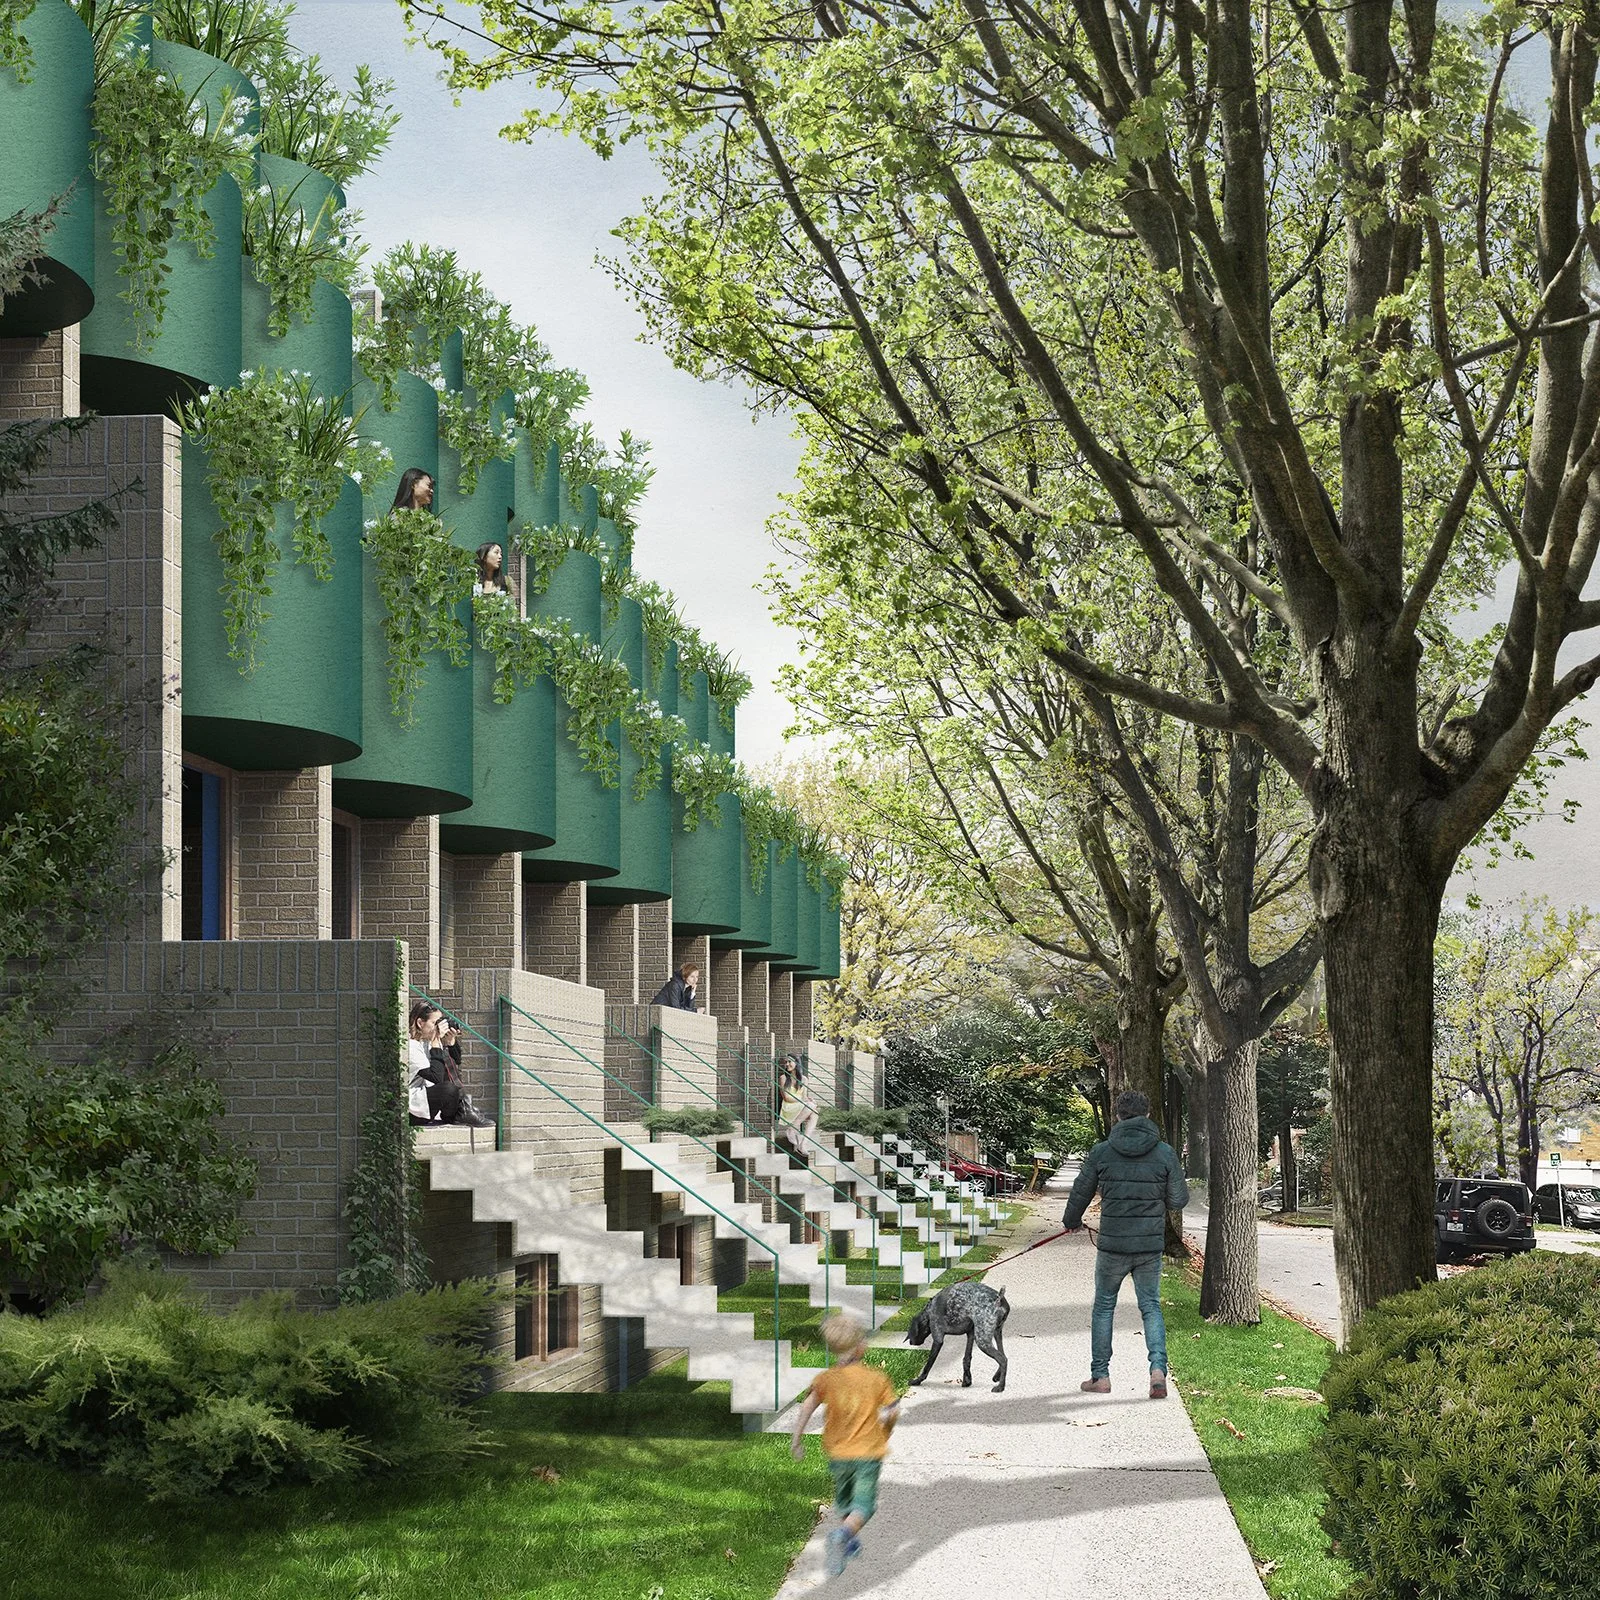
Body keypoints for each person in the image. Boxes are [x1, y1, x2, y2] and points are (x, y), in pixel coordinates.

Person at [1060, 1089, 1190, 1399]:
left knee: (1104, 1308)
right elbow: (1178, 1199)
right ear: (1147, 1115)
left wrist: (1071, 1221)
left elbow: (1081, 1192)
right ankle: (1158, 1372)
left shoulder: (1102, 1151)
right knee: (1151, 1307)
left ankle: (1100, 1376)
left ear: (1117, 1116)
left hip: (1113, 1246)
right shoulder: (1165, 1153)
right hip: (1148, 1248)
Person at [790, 1313, 901, 1577]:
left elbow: (808, 1405)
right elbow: (892, 1410)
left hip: (838, 1455)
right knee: (864, 1506)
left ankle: (847, 1541)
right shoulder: (877, 1379)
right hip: (867, 1454)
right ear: (862, 1347)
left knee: (845, 1502)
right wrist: (886, 1427)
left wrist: (797, 1437)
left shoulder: (826, 1379)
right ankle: (842, 1535)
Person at [432, 1014, 494, 1129]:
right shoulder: (421, 1043)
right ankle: (464, 1108)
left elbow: (457, 1061)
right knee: (446, 1075)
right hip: (432, 1097)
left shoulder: (436, 1042)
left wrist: (451, 1043)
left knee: (450, 1066)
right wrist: (435, 1039)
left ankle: (464, 1106)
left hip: (443, 1098)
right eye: (433, 1023)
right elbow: (436, 1072)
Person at [776, 1053, 820, 1145]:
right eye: (786, 1062)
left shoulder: (804, 1079)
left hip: (800, 1106)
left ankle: (804, 1143)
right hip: (788, 1107)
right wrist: (804, 1101)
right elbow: (787, 1098)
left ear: (797, 1063)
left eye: (789, 1062)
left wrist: (809, 1099)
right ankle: (793, 1128)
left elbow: (804, 1097)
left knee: (814, 1113)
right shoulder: (783, 1078)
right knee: (812, 1108)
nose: (787, 1064)